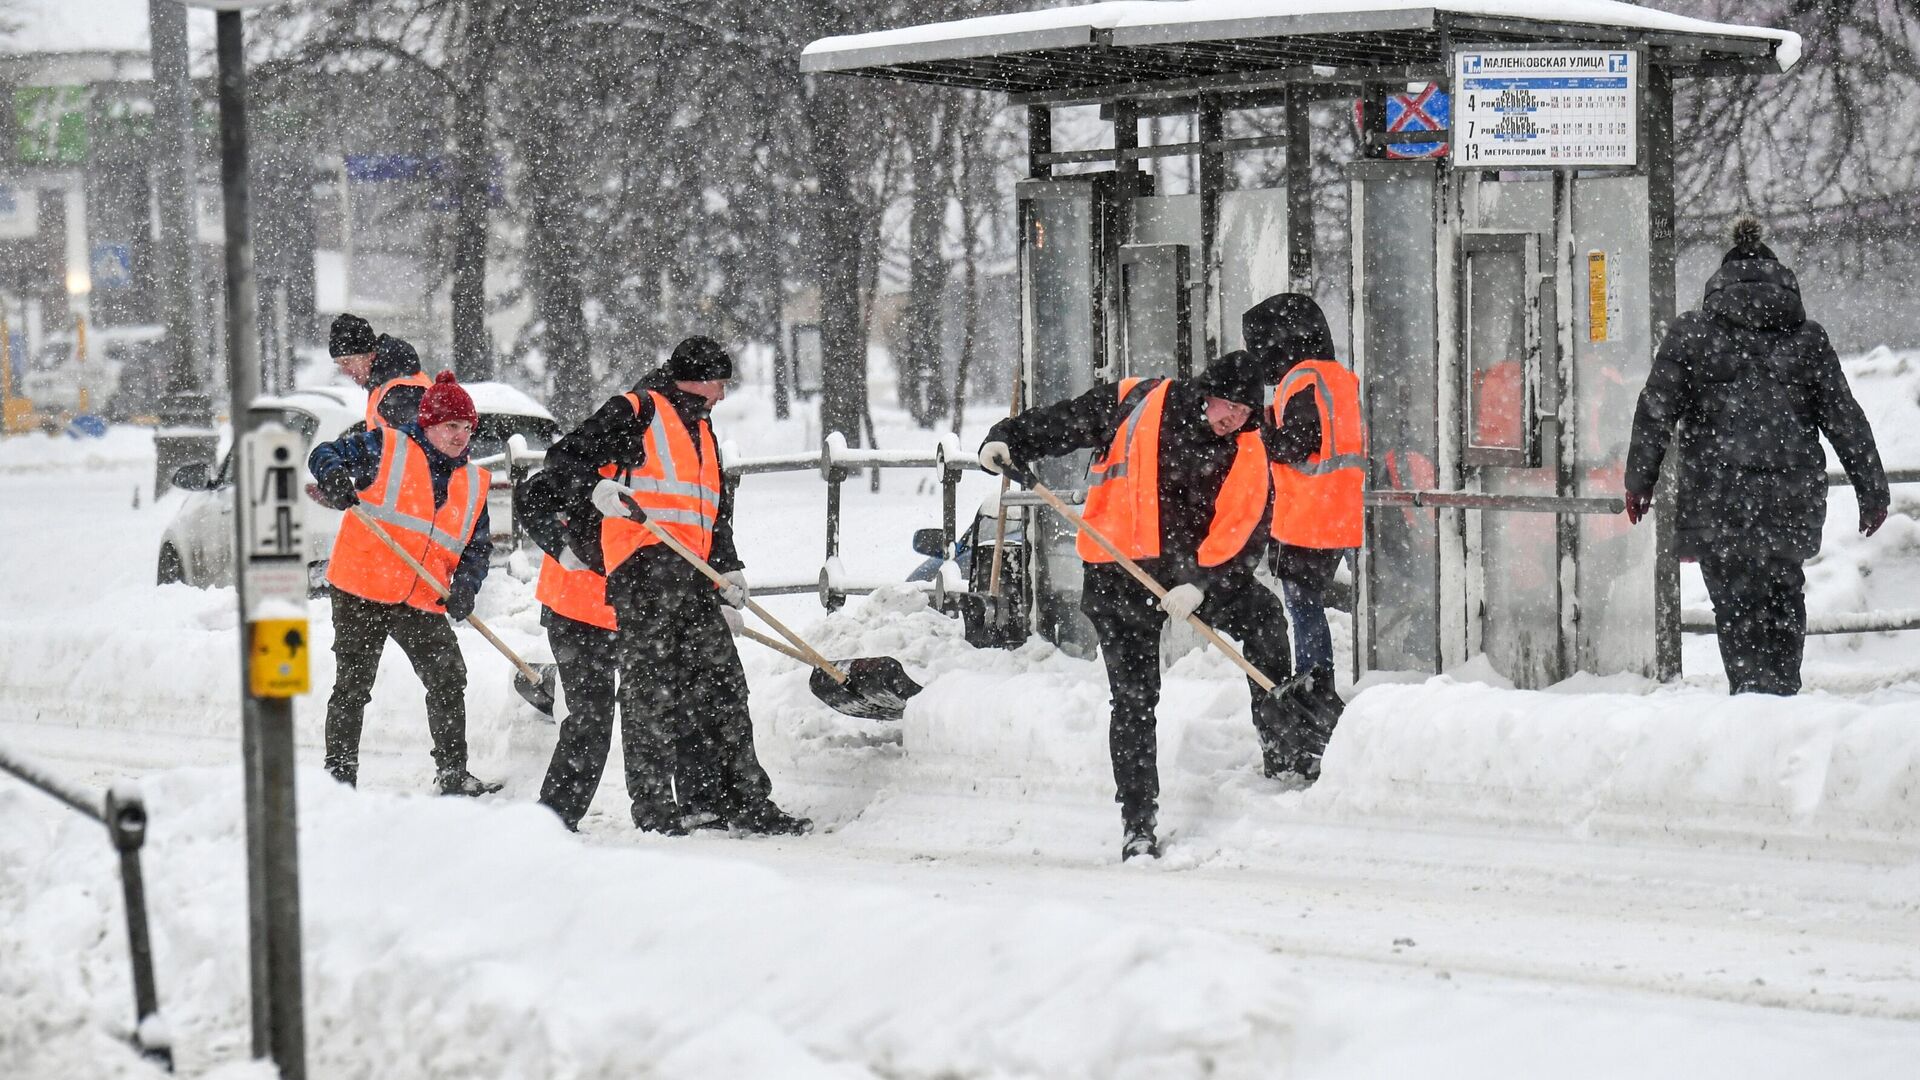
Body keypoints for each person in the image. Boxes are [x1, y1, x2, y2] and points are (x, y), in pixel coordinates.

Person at [978, 351, 1308, 860]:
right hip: (1119, 572)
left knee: (1264, 620)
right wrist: (1008, 437)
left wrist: (1203, 584)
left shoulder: (1246, 445)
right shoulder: (1137, 401)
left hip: (1190, 573)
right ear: (1205, 391)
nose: (1233, 421)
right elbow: (1070, 420)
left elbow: (1245, 528)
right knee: (1134, 700)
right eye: (1228, 408)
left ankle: (1284, 751)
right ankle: (1138, 822)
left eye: (1245, 413)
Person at [540, 337, 808, 836]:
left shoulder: (704, 432)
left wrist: (728, 567)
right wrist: (596, 490)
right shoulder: (636, 411)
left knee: (724, 688)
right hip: (642, 573)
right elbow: (561, 462)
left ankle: (744, 800)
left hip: (694, 577)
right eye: (718, 384)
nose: (722, 396)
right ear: (693, 378)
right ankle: (656, 810)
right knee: (650, 696)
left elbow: (713, 511)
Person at [1625, 219, 1888, 696]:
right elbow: (1845, 417)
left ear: (1720, 280)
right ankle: (1781, 692)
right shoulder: (1808, 339)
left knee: (1733, 601)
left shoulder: (1691, 333)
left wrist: (1640, 481)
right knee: (1784, 594)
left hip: (1718, 498)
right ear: (1779, 278)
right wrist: (1872, 489)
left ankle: (1749, 698)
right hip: (1790, 499)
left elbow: (1654, 411)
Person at [307, 371, 502, 795]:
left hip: (420, 595)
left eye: (467, 428)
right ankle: (338, 780)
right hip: (361, 588)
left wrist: (467, 586)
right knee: (354, 685)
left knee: (448, 676)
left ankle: (453, 772)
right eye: (451, 426)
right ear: (428, 422)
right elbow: (324, 453)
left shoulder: (473, 482)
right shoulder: (386, 446)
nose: (460, 437)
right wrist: (335, 476)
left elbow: (477, 548)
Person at [1244, 294, 1366, 724]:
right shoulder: (1340, 378)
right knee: (1309, 605)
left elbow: (1296, 442)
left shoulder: (1301, 379)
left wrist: (1261, 431)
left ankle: (1315, 687)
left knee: (1304, 608)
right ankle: (1319, 683)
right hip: (1341, 511)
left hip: (1306, 517)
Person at [328, 313, 432, 431]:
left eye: (347, 362)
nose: (345, 371)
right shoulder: (385, 384)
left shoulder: (400, 391)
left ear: (370, 355)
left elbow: (417, 442)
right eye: (340, 364)